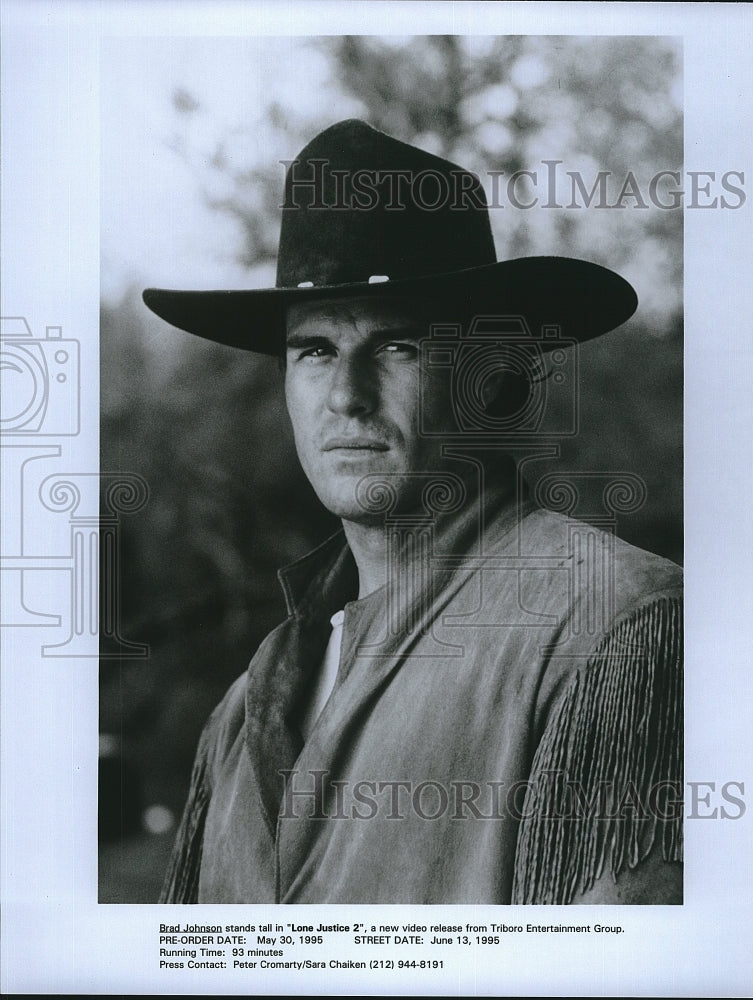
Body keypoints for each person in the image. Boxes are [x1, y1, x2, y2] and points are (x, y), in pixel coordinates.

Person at [143, 119, 683, 905]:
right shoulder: (246, 705)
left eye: (398, 346)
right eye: (315, 350)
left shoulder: (616, 630)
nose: (347, 397)